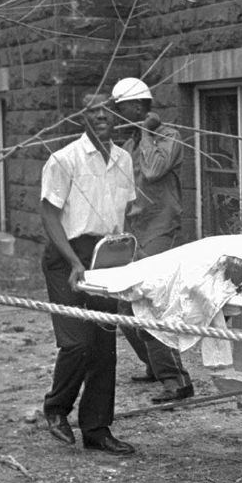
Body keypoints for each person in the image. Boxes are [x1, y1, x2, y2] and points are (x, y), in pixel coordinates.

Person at [40, 91, 138, 455]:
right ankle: (56, 408)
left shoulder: (124, 159)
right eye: (93, 112)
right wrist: (74, 262)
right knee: (76, 342)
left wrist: (125, 257)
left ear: (116, 117)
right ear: (82, 117)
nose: (101, 117)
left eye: (107, 111)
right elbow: (49, 215)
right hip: (67, 255)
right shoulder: (63, 160)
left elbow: (123, 213)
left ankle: (97, 429)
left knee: (103, 348)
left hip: (105, 256)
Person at [109, 77, 194, 404]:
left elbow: (155, 170)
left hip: (161, 230)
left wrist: (146, 132)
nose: (119, 114)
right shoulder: (128, 145)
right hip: (134, 229)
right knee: (123, 304)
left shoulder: (169, 137)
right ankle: (154, 365)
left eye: (123, 108)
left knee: (150, 304)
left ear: (140, 106)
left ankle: (176, 381)